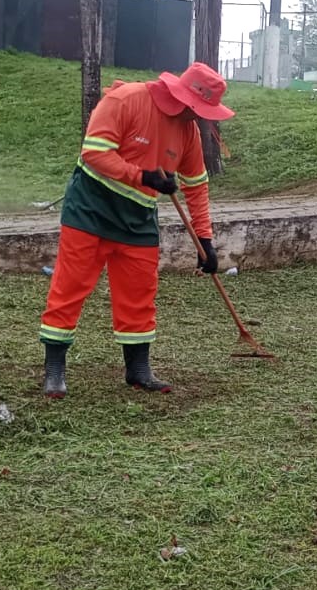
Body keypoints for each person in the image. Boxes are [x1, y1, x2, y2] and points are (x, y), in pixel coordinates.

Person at [37, 63, 235, 398]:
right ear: (182, 97)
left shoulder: (188, 133)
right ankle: (54, 369)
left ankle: (138, 369)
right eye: (198, 110)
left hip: (138, 218)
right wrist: (144, 177)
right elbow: (95, 153)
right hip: (91, 210)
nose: (200, 118)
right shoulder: (127, 100)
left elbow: (196, 186)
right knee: (69, 288)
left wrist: (205, 241)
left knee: (140, 294)